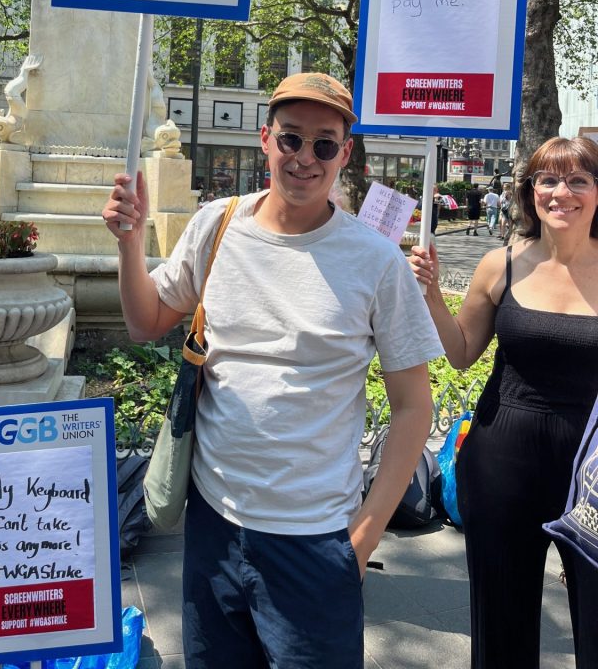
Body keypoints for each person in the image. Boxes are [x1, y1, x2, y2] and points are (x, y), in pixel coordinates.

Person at [103, 71, 443, 669]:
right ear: (266, 140)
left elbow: (415, 407)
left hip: (315, 536)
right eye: (291, 139)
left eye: (324, 144)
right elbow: (146, 320)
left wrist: (363, 537)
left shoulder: (376, 261)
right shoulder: (216, 224)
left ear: (344, 153)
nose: (305, 158)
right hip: (213, 524)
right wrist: (129, 244)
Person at [409, 136, 598, 668]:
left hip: (592, 467)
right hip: (502, 460)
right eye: (548, 180)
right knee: (501, 621)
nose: (561, 193)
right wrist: (429, 297)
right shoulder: (502, 264)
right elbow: (461, 353)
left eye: (578, 180)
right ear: (530, 191)